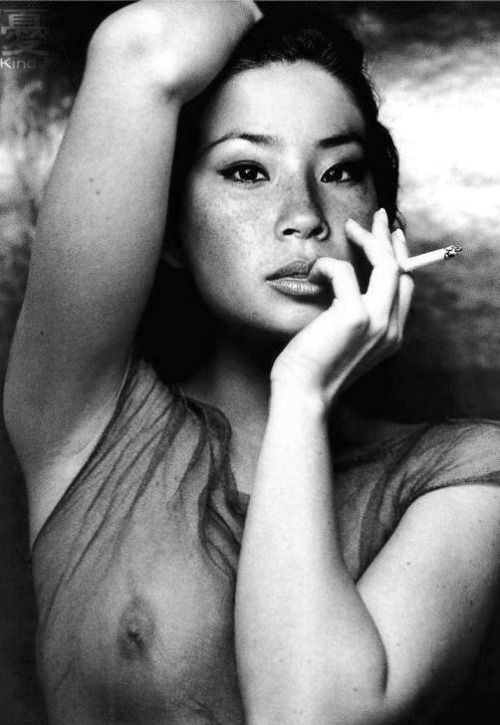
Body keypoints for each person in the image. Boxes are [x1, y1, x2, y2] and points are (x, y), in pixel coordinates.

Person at [4, 1, 500, 723]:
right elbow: (143, 47)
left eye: (341, 171)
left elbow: (307, 714)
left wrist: (301, 393)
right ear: (169, 232)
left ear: (382, 225)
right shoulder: (85, 419)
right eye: (246, 170)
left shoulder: (465, 475)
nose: (305, 215)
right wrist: (266, 11)